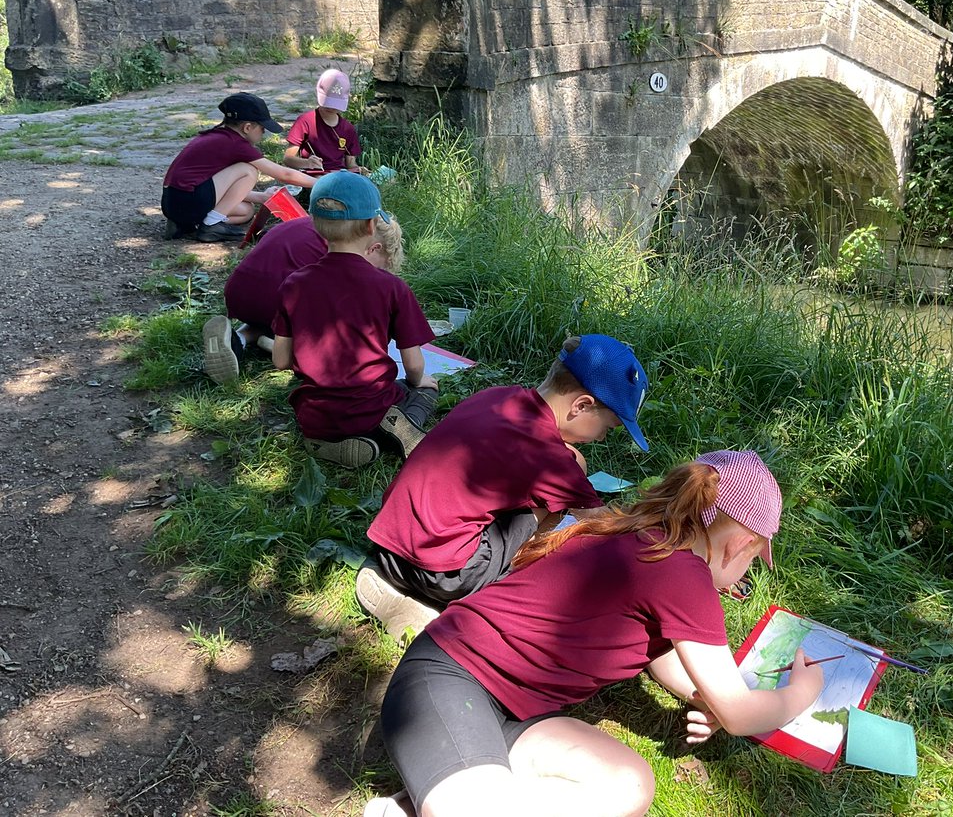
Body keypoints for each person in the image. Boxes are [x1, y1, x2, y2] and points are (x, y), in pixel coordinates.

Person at [366, 450, 823, 817]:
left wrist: (706, 695)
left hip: (513, 710)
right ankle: (447, 796)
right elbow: (741, 715)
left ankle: (444, 791)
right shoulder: (685, 576)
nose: (743, 574)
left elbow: (657, 650)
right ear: (741, 544)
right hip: (450, 679)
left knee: (630, 785)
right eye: (751, 562)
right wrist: (804, 691)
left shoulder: (646, 537)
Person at [355, 334, 650, 638]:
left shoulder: (497, 397)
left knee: (572, 465)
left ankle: (394, 587)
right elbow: (607, 527)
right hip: (446, 576)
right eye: (607, 428)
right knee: (558, 500)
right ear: (581, 405)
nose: (601, 438)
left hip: (389, 546)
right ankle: (485, 592)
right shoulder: (551, 459)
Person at [272, 171, 438, 468]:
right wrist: (419, 381)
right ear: (372, 225)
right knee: (424, 391)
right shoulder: (391, 287)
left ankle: (323, 444)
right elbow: (413, 365)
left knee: (319, 415)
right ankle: (400, 425)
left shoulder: (294, 285)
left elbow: (281, 360)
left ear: (315, 225)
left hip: (317, 414)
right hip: (375, 405)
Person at [200, 212, 406, 384]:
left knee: (275, 316)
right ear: (374, 247)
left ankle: (238, 339)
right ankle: (286, 349)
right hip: (278, 300)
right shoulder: (343, 252)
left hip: (239, 293)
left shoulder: (318, 224)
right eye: (377, 268)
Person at [161, 92, 317, 242]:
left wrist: (261, 197)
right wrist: (322, 183)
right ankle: (210, 226)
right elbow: (284, 174)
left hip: (174, 203)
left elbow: (221, 187)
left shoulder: (220, 137)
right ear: (247, 127)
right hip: (188, 201)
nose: (263, 133)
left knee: (246, 211)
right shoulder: (236, 144)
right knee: (248, 171)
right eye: (262, 128)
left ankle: (188, 225)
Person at [283, 68, 366, 175]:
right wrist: (307, 163)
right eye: (327, 103)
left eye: (335, 104)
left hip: (339, 174)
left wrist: (358, 170)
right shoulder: (305, 121)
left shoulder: (348, 129)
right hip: (314, 174)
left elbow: (351, 164)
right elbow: (287, 159)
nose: (331, 108)